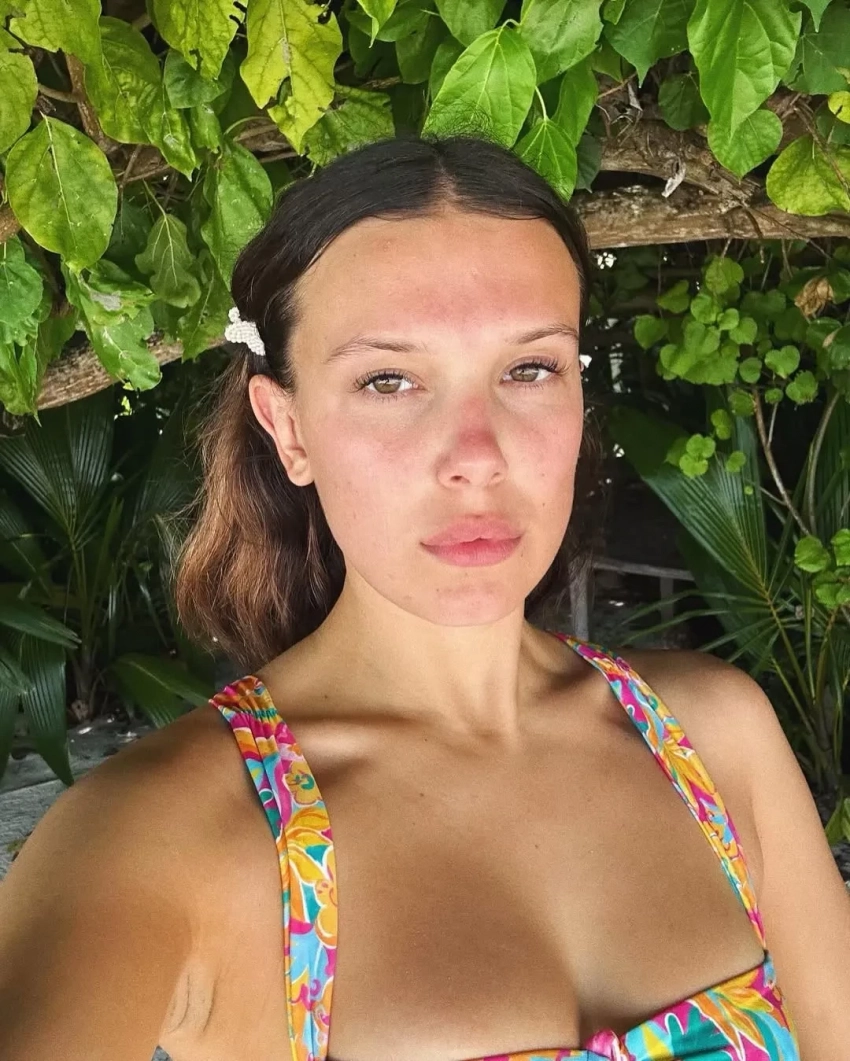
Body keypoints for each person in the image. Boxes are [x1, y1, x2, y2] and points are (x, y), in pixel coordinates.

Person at [1, 133, 848, 1061]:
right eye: (389, 380)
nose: (476, 455)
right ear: (289, 429)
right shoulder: (161, 836)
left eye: (529, 369)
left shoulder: (716, 737)